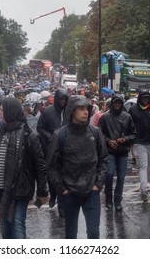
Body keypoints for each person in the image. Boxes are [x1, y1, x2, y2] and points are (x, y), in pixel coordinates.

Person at [0, 97, 48, 239]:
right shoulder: (0, 131)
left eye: (1, 110)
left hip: (20, 188)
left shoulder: (29, 135)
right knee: (5, 226)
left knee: (17, 224)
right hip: (1, 188)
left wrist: (43, 192)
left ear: (10, 112)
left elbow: (39, 166)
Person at [46, 95, 108, 239]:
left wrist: (98, 184)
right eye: (81, 109)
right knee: (70, 234)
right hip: (70, 192)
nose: (86, 112)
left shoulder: (95, 132)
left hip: (91, 191)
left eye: (87, 109)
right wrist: (62, 188)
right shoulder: (60, 134)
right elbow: (51, 166)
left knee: (93, 233)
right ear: (72, 111)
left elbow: (103, 159)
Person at [100, 95, 136, 211]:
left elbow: (133, 134)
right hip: (110, 151)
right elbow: (100, 134)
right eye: (115, 103)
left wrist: (125, 139)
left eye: (119, 103)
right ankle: (109, 199)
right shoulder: (104, 117)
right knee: (109, 174)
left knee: (121, 177)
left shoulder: (127, 117)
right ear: (111, 104)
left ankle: (118, 200)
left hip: (123, 151)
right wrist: (108, 141)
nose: (116, 105)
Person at [37, 88, 69, 215]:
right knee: (51, 174)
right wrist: (49, 137)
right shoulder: (47, 112)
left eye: (64, 99)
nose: (63, 101)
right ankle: (53, 194)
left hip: (65, 149)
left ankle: (62, 205)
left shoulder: (69, 112)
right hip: (50, 148)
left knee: (62, 175)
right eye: (61, 99)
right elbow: (40, 128)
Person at [129, 90, 150, 202]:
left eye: (147, 98)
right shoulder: (133, 109)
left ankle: (143, 185)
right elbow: (129, 124)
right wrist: (130, 139)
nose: (145, 100)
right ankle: (144, 190)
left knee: (148, 164)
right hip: (139, 142)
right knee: (143, 165)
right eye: (143, 98)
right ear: (140, 98)